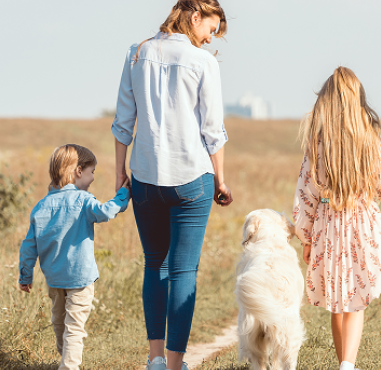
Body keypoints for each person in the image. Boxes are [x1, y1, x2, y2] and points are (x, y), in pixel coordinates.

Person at [110, 1, 232, 369]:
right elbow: (213, 131)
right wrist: (221, 180)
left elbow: (122, 121)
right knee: (182, 271)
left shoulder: (137, 53)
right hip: (192, 177)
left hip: (145, 178)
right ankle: (176, 364)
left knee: (155, 266)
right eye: (210, 30)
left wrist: (120, 173)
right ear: (195, 16)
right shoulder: (203, 62)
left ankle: (155, 359)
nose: (210, 39)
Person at [293, 67, 381, 370]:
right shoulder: (370, 139)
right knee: (356, 299)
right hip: (362, 224)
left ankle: (344, 361)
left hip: (327, 225)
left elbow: (306, 195)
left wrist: (306, 238)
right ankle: (347, 365)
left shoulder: (317, 142)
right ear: (358, 100)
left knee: (338, 300)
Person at [18, 144, 131, 370]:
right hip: (80, 278)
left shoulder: (41, 206)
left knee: (59, 322)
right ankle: (68, 365)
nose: (91, 179)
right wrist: (123, 194)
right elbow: (107, 211)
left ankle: (66, 360)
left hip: (54, 278)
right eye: (91, 172)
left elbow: (29, 246)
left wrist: (25, 275)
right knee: (74, 326)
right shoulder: (83, 200)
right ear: (78, 171)